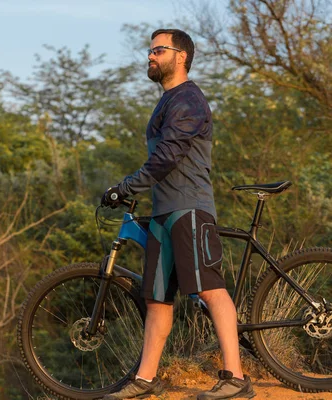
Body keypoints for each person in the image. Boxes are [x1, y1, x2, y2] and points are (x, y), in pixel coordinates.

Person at [100, 29, 255, 400]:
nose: (150, 56)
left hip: (189, 208)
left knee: (209, 287)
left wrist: (126, 185)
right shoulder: (168, 100)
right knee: (156, 297)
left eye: (158, 50)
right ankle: (146, 379)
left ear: (180, 56)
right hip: (163, 213)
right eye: (150, 50)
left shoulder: (188, 99)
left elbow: (167, 157)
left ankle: (235, 378)